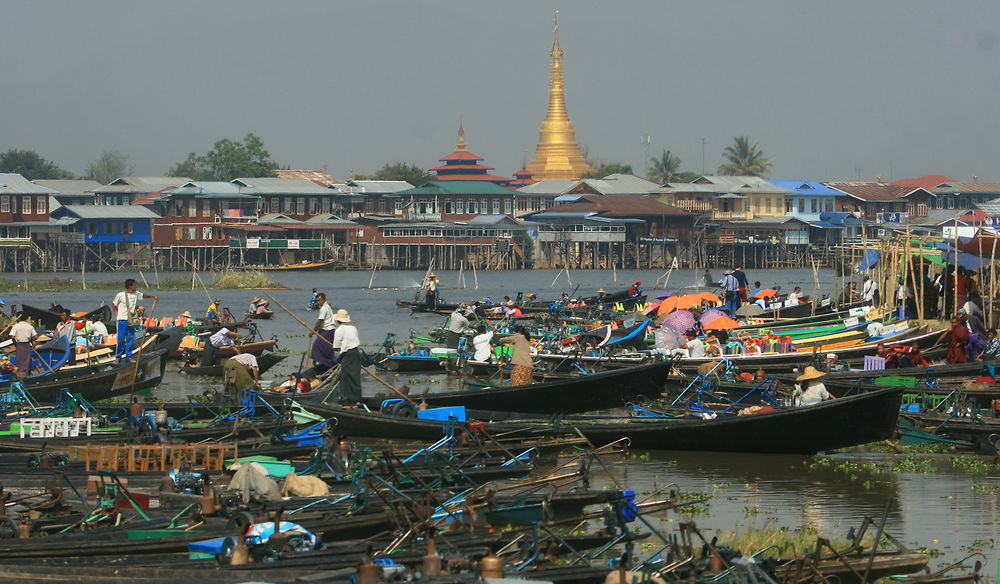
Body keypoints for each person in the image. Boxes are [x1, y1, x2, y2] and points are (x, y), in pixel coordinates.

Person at [113, 278, 158, 362]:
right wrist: (116, 313)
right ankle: (118, 357)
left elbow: (144, 295)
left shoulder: (136, 294)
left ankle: (129, 356)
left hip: (131, 320)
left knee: (130, 338)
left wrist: (153, 296)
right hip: (122, 320)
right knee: (121, 339)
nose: (136, 286)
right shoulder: (120, 295)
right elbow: (114, 304)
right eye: (134, 285)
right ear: (130, 286)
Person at [331, 309, 361, 405]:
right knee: (355, 377)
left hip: (348, 355)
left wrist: (340, 351)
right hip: (357, 353)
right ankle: (356, 398)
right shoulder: (353, 328)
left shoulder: (339, 330)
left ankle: (348, 400)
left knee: (346, 377)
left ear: (337, 320)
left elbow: (336, 347)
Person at [311, 292, 337, 371]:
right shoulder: (326, 306)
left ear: (324, 300)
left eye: (319, 301)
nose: (318, 302)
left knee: (317, 345)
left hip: (328, 330)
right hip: (328, 330)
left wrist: (313, 330)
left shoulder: (324, 308)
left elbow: (320, 320)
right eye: (317, 301)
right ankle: (317, 363)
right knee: (326, 347)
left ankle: (328, 366)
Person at [7, 313, 36, 377]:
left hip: (20, 345)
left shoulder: (16, 326)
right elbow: (36, 336)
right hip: (27, 344)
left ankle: (20, 374)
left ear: (18, 318)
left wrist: (16, 344)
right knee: (27, 359)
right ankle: (27, 373)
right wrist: (30, 340)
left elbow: (12, 336)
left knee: (20, 359)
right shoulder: (30, 326)